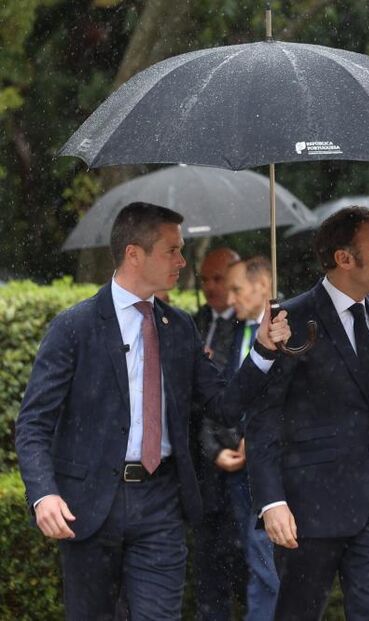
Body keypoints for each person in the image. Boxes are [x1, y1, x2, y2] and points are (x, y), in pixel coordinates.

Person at [15, 202, 290, 620]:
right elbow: (34, 422)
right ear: (133, 254)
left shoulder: (179, 327)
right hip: (88, 507)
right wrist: (43, 494)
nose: (182, 261)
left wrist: (265, 350)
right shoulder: (75, 326)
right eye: (172, 250)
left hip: (160, 502)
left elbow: (225, 403)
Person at [246, 206, 369, 620]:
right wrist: (271, 501)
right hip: (308, 506)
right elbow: (262, 417)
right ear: (343, 258)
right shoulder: (290, 319)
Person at [221, 256, 280, 620]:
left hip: (273, 469)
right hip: (237, 470)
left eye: (236, 289)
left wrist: (258, 438)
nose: (230, 299)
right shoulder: (234, 331)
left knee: (268, 562)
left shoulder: (289, 328)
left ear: (263, 286)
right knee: (254, 560)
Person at [191, 245, 246, 620]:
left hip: (241, 458)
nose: (210, 287)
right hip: (199, 464)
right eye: (204, 280)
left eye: (218, 278)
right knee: (207, 562)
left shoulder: (249, 326)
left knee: (246, 561)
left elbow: (237, 393)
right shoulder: (190, 323)